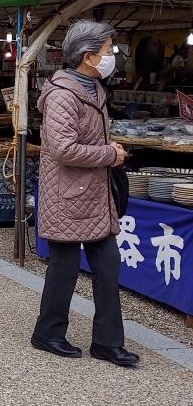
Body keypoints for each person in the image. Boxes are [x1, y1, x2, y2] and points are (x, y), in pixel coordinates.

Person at [31, 19, 138, 368]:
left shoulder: (94, 88)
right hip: (67, 194)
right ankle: (48, 333)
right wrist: (109, 154)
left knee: (108, 265)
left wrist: (108, 148)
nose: (112, 56)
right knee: (64, 268)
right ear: (88, 56)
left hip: (94, 194)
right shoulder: (63, 94)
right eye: (107, 50)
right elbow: (63, 149)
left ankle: (107, 342)